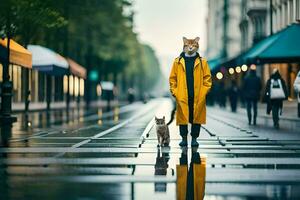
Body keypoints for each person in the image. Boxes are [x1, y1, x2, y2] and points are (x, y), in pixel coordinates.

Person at [169, 37, 212, 147]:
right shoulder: (177, 61)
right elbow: (172, 79)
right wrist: (175, 92)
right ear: (184, 46)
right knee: (183, 118)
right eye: (188, 45)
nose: (191, 47)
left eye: (193, 45)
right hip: (182, 95)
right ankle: (183, 138)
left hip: (198, 95)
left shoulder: (203, 62)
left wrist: (204, 91)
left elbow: (207, 78)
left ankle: (194, 138)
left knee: (196, 118)